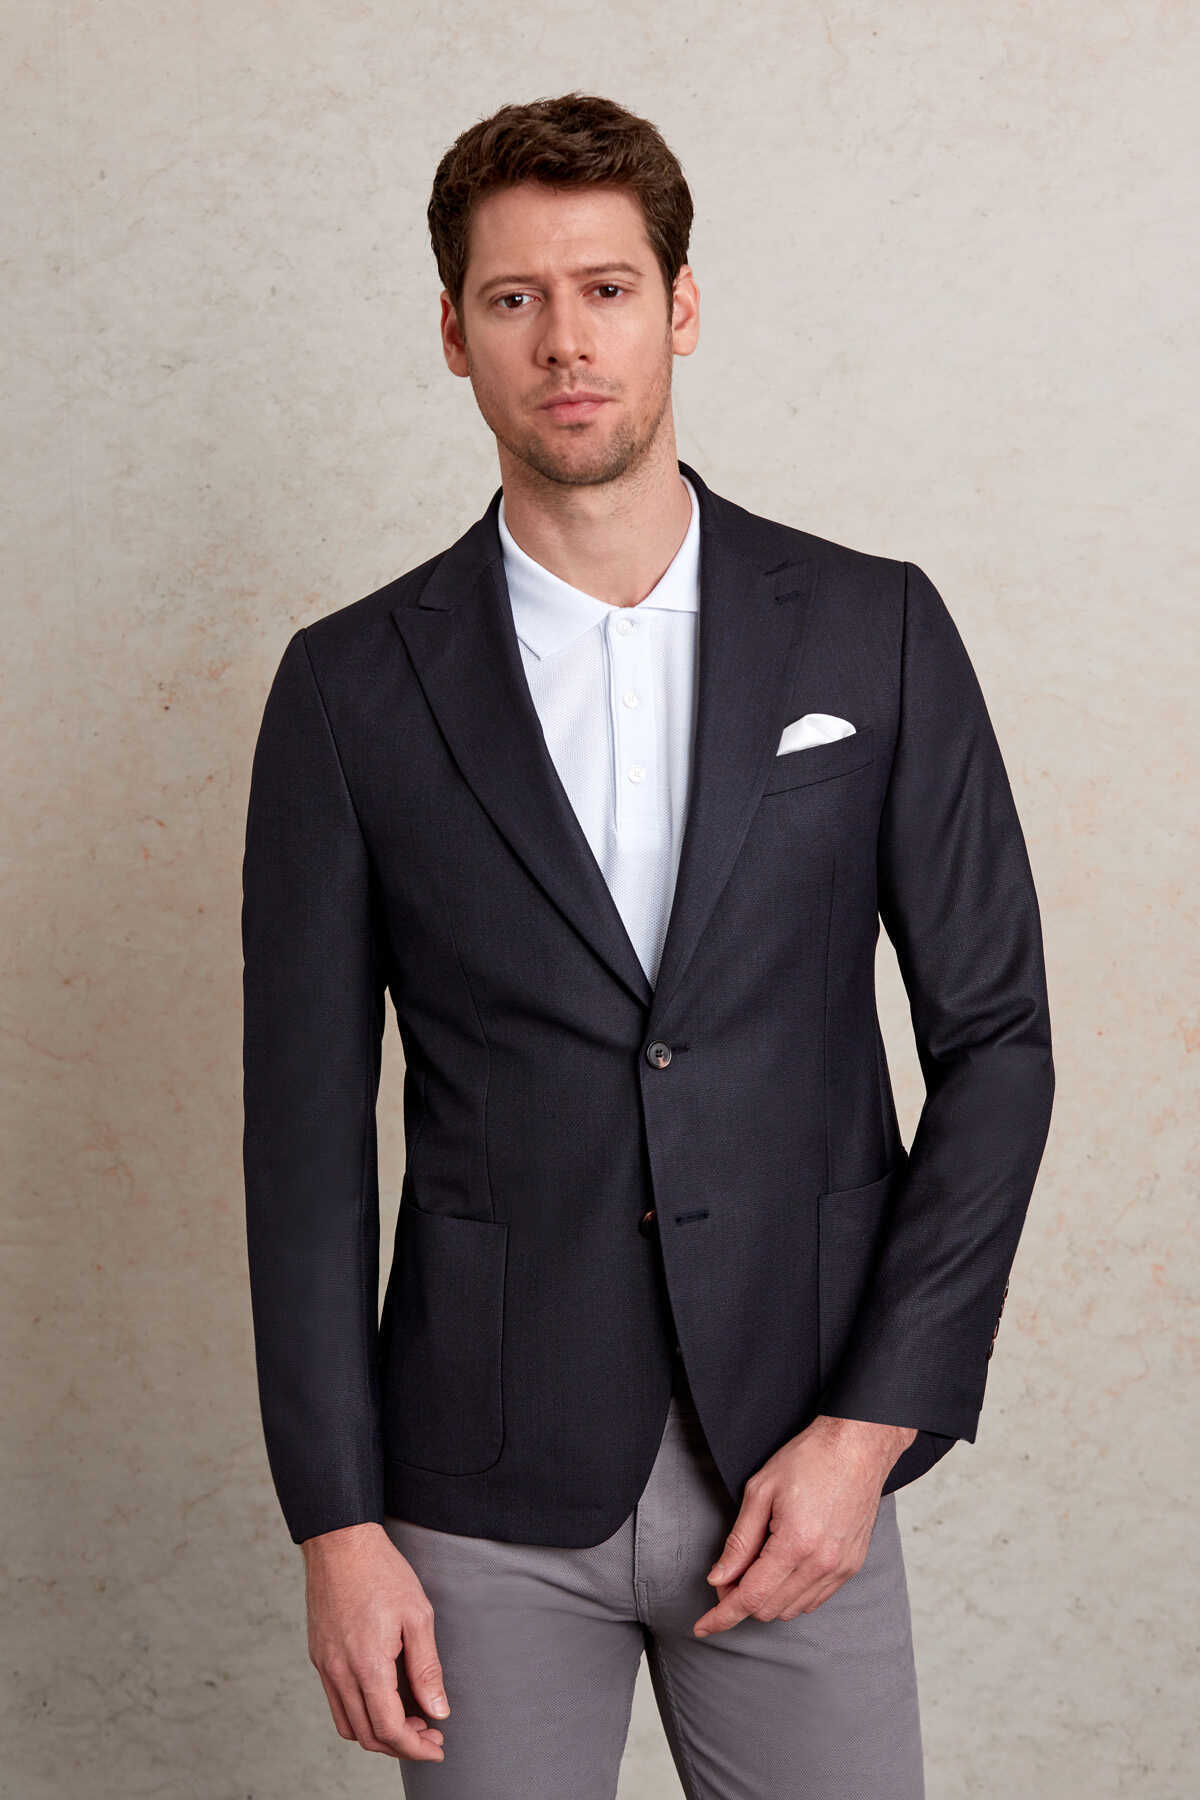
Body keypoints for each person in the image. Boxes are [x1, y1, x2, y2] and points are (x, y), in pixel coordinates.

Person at [241, 91, 1055, 1799]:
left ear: (680, 307)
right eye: (513, 298)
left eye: (605, 289)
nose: (565, 342)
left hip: (799, 1465)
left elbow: (997, 1046)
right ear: (453, 334)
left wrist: (868, 1432)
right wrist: (336, 1522)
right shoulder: (348, 689)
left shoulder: (875, 628)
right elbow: (303, 1142)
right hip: (472, 1490)